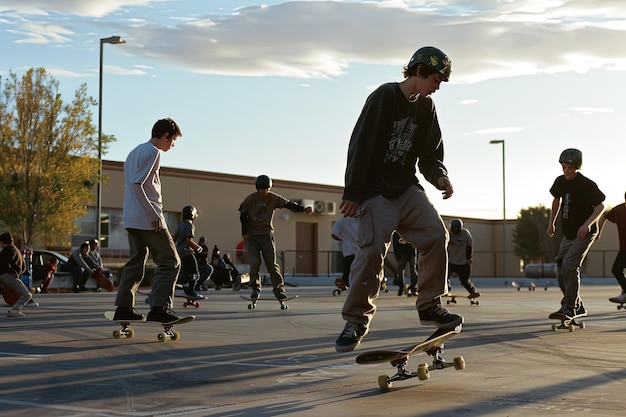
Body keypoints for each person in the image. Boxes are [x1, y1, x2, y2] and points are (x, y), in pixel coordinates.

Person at [334, 46, 463, 353]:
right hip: (374, 191)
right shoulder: (384, 97)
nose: (437, 87)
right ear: (418, 71)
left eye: (441, 82)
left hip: (405, 188)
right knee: (372, 251)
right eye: (435, 79)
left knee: (436, 234)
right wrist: (353, 191)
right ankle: (356, 321)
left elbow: (430, 154)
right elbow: (360, 144)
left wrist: (439, 176)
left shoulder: (426, 107)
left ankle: (430, 305)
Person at [113, 118, 183, 323]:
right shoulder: (153, 152)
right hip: (148, 218)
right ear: (165, 136)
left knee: (136, 262)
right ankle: (160, 307)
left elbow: (130, 185)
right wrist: (153, 213)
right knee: (171, 261)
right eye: (173, 140)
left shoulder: (134, 151)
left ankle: (124, 307)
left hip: (132, 218)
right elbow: (137, 184)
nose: (172, 145)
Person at [547, 148, 605, 319]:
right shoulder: (560, 182)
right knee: (560, 268)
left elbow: (601, 206)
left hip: (585, 233)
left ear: (577, 167)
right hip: (569, 234)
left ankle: (569, 307)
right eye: (564, 167)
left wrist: (587, 225)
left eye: (570, 168)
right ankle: (577, 305)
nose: (566, 171)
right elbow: (556, 201)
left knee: (570, 264)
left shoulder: (586, 184)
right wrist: (551, 223)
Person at [239, 174, 312, 300]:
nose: (264, 192)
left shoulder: (273, 198)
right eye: (262, 189)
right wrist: (244, 232)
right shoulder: (250, 199)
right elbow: (242, 213)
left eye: (266, 189)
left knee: (271, 264)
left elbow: (288, 204)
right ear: (258, 188)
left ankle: (279, 289)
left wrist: (303, 209)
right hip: (252, 237)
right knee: (255, 263)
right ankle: (256, 288)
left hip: (266, 235)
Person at [597, 192, 626, 303]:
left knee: (617, 269)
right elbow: (603, 217)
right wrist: (598, 233)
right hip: (624, 248)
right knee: (616, 269)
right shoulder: (619, 210)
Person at [171, 205, 205, 298]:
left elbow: (172, 238)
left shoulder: (179, 225)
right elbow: (188, 240)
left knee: (185, 272)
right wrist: (198, 248)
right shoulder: (189, 225)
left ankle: (180, 284)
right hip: (187, 252)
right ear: (192, 215)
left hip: (179, 252)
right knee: (194, 272)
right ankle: (190, 291)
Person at [0, 232, 31, 317]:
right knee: (27, 294)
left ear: (2, 242)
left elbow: (2, 263)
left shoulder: (8, 250)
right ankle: (15, 310)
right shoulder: (15, 250)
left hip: (5, 275)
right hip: (8, 276)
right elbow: (24, 266)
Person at [447, 218, 479, 298]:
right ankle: (446, 290)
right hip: (450, 260)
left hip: (463, 261)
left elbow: (469, 246)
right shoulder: (448, 234)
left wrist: (469, 258)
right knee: (445, 278)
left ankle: (472, 292)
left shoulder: (465, 233)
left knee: (464, 280)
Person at [332, 216, 359, 288]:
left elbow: (334, 235)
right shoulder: (361, 220)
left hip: (348, 250)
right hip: (361, 250)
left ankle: (345, 283)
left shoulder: (341, 221)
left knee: (348, 269)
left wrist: (343, 239)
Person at [391, 231, 418, 296]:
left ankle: (412, 287)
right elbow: (395, 246)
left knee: (413, 270)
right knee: (401, 271)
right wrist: (398, 258)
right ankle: (401, 287)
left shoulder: (410, 230)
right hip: (402, 253)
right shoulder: (396, 233)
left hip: (411, 252)